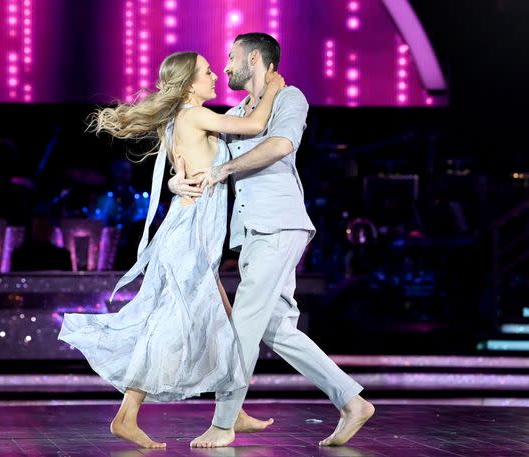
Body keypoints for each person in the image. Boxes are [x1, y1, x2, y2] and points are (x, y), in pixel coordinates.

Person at [58, 51, 285, 449]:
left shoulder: (182, 117)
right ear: (189, 84)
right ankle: (127, 415)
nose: (216, 76)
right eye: (207, 72)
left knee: (225, 322)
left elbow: (182, 173)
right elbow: (254, 124)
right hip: (190, 235)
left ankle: (233, 409)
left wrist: (176, 185)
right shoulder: (194, 113)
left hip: (194, 233)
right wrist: (274, 87)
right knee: (170, 325)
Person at [168, 33, 375, 449]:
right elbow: (197, 156)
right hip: (253, 233)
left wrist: (226, 171)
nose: (225, 66)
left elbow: (280, 145)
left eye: (231, 57)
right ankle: (351, 400)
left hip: (279, 224)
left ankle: (224, 422)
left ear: (255, 58)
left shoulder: (290, 98)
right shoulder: (240, 112)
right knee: (278, 329)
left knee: (243, 323)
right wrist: (176, 179)